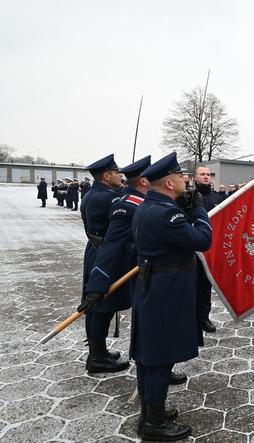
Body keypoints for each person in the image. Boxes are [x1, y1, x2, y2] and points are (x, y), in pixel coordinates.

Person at [131, 152, 212, 440]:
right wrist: (199, 210)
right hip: (165, 291)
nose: (184, 180)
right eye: (180, 176)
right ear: (168, 183)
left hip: (154, 286)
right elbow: (203, 240)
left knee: (150, 355)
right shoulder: (167, 213)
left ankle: (151, 412)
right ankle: (154, 423)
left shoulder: (148, 206)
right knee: (159, 357)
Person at [78, 154, 125, 373]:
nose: (120, 175)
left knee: (100, 306)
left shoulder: (94, 193)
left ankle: (100, 351)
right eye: (117, 172)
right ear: (106, 175)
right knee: (100, 306)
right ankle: (96, 358)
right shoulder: (107, 197)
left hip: (96, 250)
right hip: (103, 253)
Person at [193, 166, 224, 333]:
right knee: (190, 287)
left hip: (210, 250)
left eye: (208, 174)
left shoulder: (217, 198)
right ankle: (190, 319)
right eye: (202, 174)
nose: (206, 177)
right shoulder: (188, 197)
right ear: (195, 178)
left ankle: (204, 318)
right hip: (192, 251)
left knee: (205, 288)